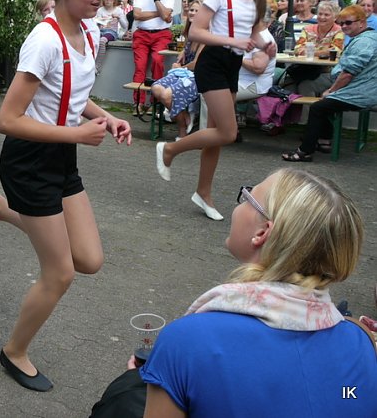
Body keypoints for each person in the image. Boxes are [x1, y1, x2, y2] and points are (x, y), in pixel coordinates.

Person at [0, 0, 131, 392]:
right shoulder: (43, 41)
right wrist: (79, 132)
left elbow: (73, 96)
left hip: (62, 154)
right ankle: (14, 352)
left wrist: (104, 116)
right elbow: (7, 120)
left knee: (89, 261)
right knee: (59, 273)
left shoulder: (91, 31)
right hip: (28, 161)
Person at [141, 169, 376, 417]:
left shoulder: (187, 343)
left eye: (248, 196)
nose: (241, 202)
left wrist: (141, 383)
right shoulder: (361, 344)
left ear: (263, 232)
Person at [155, 0, 274, 221]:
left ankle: (203, 193)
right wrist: (234, 40)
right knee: (228, 132)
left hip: (232, 64)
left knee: (216, 136)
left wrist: (263, 46)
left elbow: (255, 33)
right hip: (213, 63)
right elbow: (196, 32)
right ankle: (169, 148)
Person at [282, 4, 377, 161]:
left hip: (361, 93)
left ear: (361, 23)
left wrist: (332, 90)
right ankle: (323, 140)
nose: (344, 26)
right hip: (361, 89)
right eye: (342, 23)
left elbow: (348, 73)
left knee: (319, 106)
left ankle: (305, 151)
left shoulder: (364, 42)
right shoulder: (367, 37)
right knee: (323, 101)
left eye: (349, 22)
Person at [151, 0, 205, 139]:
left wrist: (179, 67)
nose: (192, 12)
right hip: (184, 74)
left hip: (198, 78)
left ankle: (181, 128)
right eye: (191, 9)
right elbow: (187, 53)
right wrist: (182, 54)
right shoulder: (191, 33)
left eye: (196, 11)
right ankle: (185, 117)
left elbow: (197, 64)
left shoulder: (205, 35)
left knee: (166, 95)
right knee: (156, 88)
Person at [131, 0, 175, 114]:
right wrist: (161, 13)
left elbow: (166, 16)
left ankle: (155, 103)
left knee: (157, 62)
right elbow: (137, 15)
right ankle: (138, 103)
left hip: (162, 34)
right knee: (140, 66)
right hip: (142, 34)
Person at [279, 0, 343, 96]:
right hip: (305, 69)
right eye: (320, 14)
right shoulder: (308, 28)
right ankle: (289, 110)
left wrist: (310, 51)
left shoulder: (339, 31)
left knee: (305, 86)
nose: (322, 17)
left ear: (335, 17)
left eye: (326, 15)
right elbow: (298, 48)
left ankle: (308, 110)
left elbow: (335, 51)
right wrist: (322, 51)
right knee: (288, 86)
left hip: (327, 71)